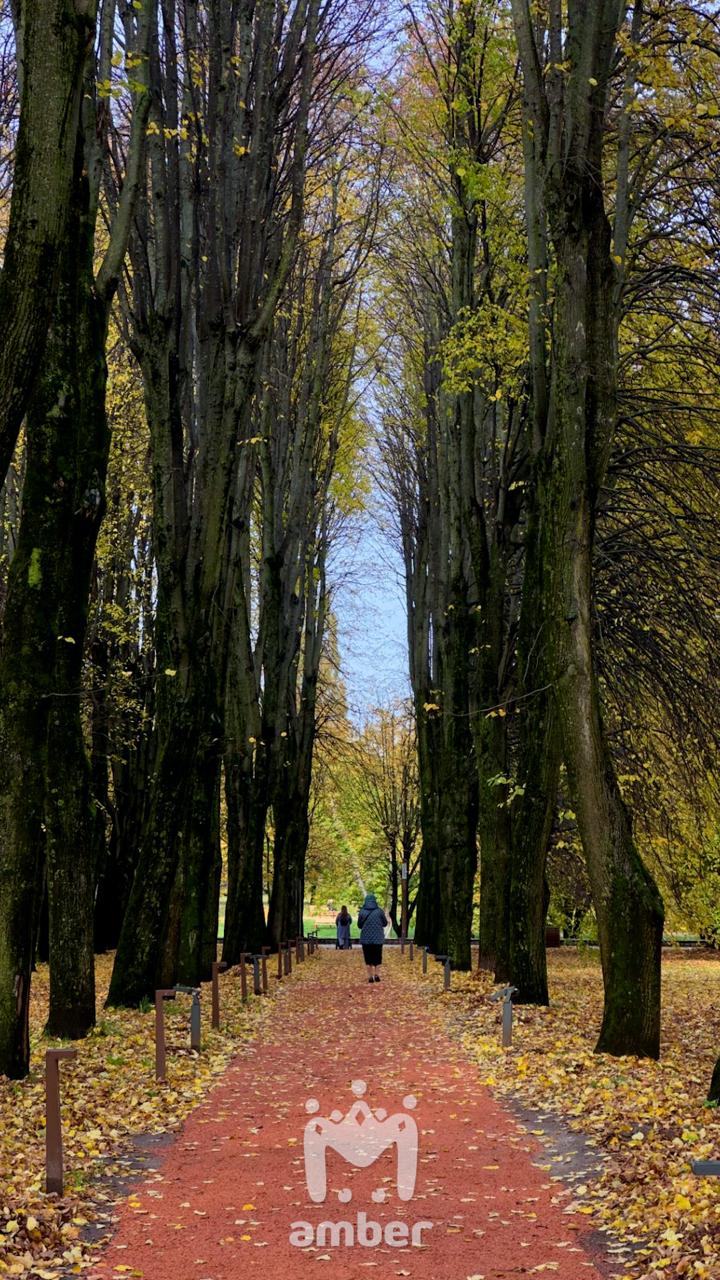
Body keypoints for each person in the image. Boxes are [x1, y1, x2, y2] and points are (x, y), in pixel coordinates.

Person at [358, 892, 388, 983]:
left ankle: (370, 977)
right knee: (378, 957)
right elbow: (385, 923)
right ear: (375, 901)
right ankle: (377, 975)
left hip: (366, 939)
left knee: (368, 958)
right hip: (378, 938)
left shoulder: (362, 911)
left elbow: (359, 925)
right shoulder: (379, 911)